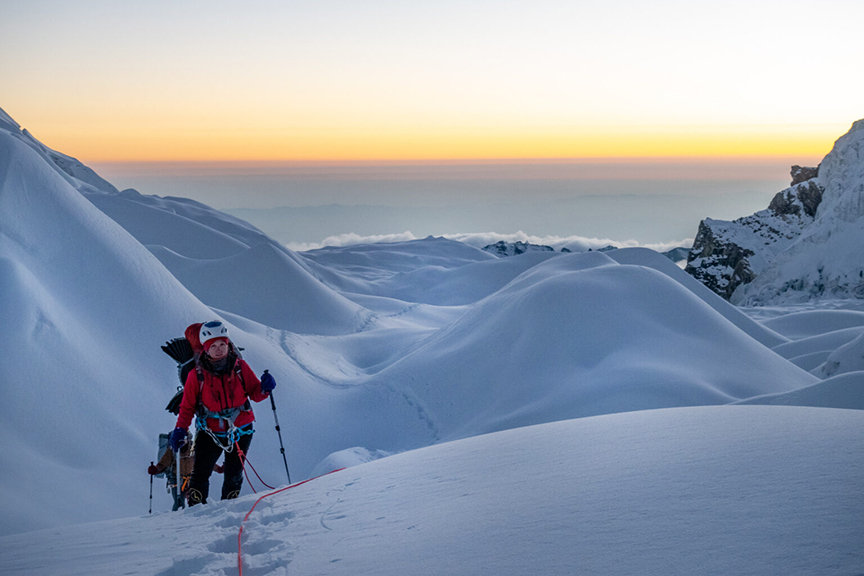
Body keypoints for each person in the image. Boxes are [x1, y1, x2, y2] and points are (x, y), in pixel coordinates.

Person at [169, 320, 276, 505]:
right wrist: (180, 429)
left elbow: (255, 393)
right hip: (210, 431)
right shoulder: (196, 375)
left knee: (234, 473)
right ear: (205, 348)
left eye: (222, 345)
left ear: (228, 345)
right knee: (201, 473)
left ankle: (228, 509)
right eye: (214, 346)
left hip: (241, 430)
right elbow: (187, 407)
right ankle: (196, 513)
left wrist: (264, 389)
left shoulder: (240, 367)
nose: (219, 349)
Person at [148, 430, 194, 510]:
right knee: (179, 502)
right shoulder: (172, 450)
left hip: (190, 479)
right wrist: (155, 470)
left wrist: (218, 469)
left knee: (194, 502)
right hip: (176, 479)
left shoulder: (194, 448)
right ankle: (177, 519)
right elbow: (163, 464)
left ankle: (186, 519)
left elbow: (204, 462)